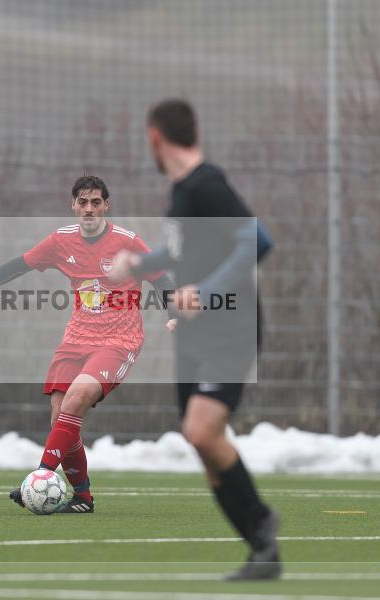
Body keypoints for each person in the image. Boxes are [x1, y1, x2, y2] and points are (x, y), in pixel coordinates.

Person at [110, 99, 280, 580]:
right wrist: (138, 264)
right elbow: (183, 249)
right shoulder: (183, 192)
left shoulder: (208, 184)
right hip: (195, 333)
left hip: (230, 326)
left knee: (203, 431)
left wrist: (205, 292)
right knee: (201, 442)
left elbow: (257, 240)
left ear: (155, 138)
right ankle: (262, 552)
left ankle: (262, 521)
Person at [0, 175, 177, 513]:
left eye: (95, 202)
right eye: (83, 202)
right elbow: (18, 266)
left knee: (76, 399)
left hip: (118, 341)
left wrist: (174, 313)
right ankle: (82, 498)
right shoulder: (60, 241)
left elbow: (162, 279)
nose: (89, 209)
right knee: (60, 420)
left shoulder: (128, 243)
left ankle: (39, 477)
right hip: (76, 338)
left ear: (106, 206)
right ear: (73, 205)